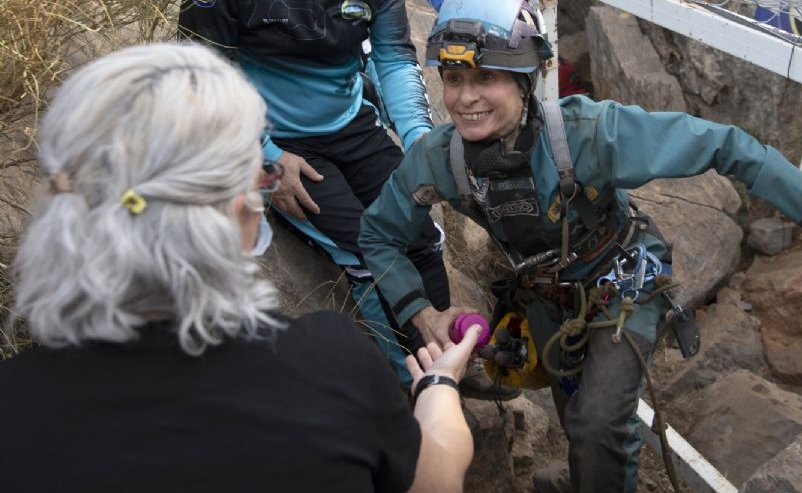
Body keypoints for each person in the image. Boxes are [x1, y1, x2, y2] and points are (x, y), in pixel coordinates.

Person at [358, 0, 802, 493]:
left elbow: (727, 144)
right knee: (578, 416)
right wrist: (421, 313)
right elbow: (377, 234)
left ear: (525, 81)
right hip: (545, 299)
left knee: (598, 424)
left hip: (623, 283)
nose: (465, 98)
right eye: (454, 79)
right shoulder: (440, 160)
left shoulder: (588, 135)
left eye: (486, 78)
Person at [0, 43, 477, 493]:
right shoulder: (328, 362)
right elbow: (438, 480)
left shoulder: (15, 405)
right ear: (240, 214)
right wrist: (437, 386)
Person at [176, 0, 496, 396]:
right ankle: (413, 385)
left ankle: (448, 362)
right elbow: (198, 74)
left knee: (421, 235)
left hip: (352, 123)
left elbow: (392, 56)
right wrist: (263, 157)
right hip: (273, 140)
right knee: (365, 246)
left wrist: (422, 142)